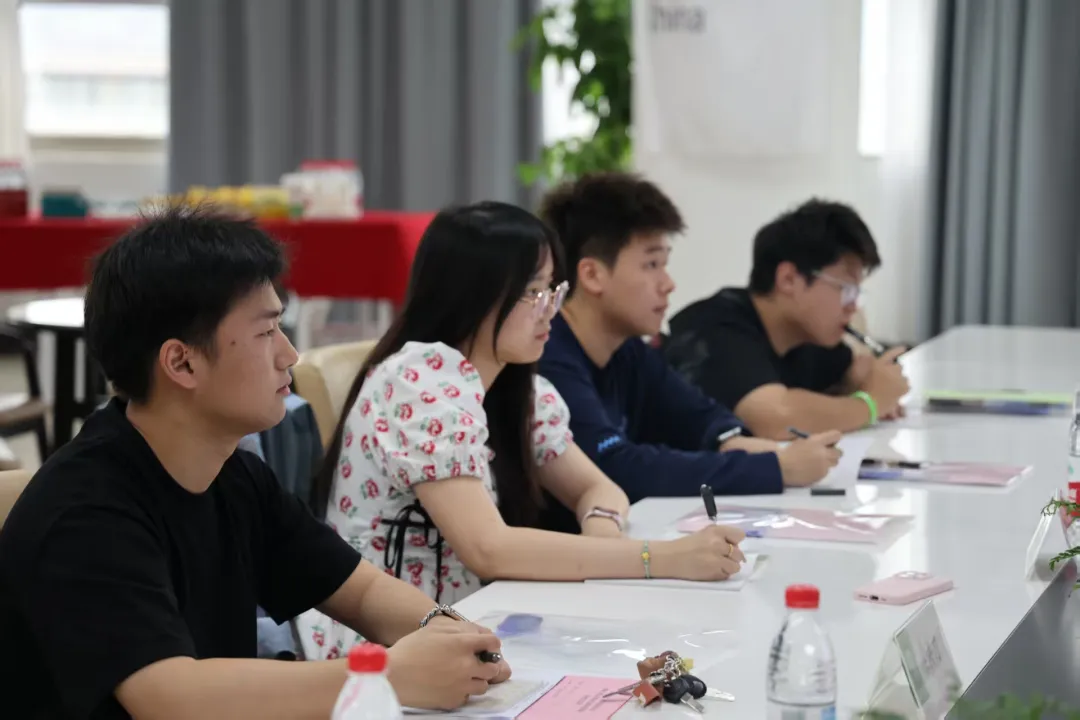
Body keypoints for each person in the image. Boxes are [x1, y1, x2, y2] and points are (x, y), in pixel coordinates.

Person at [0, 207, 511, 720]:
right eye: (267, 333)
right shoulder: (85, 510)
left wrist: (450, 634)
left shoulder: (233, 473)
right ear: (182, 362)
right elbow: (168, 696)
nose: (290, 354)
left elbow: (361, 591)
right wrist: (384, 674)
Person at [297, 201, 749, 661]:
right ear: (471, 296)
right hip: (387, 645)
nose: (550, 308)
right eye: (532, 292)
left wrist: (602, 529)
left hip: (473, 623)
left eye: (553, 288)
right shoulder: (420, 382)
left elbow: (597, 488)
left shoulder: (517, 389)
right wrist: (662, 558)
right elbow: (488, 549)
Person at [535, 172, 841, 506]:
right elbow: (616, 468)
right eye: (651, 264)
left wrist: (730, 439)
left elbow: (698, 414)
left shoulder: (627, 349)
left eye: (664, 265)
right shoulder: (546, 355)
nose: (668, 284)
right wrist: (775, 468)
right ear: (592, 274)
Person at [664, 199, 910, 439]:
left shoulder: (804, 335)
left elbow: (848, 376)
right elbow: (775, 418)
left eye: (856, 293)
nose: (853, 307)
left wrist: (863, 382)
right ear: (788, 279)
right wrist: (870, 404)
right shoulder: (715, 327)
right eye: (845, 289)